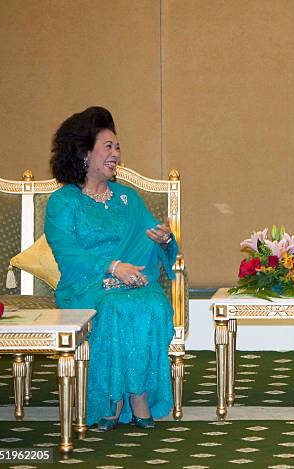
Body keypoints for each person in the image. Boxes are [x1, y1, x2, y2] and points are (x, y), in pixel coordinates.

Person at [45, 106, 178, 431]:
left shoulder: (127, 198)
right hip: (86, 285)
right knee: (116, 307)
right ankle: (111, 398)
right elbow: (67, 254)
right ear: (84, 153)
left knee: (153, 302)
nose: (116, 154)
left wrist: (163, 240)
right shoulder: (64, 202)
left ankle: (139, 395)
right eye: (108, 146)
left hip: (131, 281)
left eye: (117, 147)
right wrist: (113, 266)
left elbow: (154, 238)